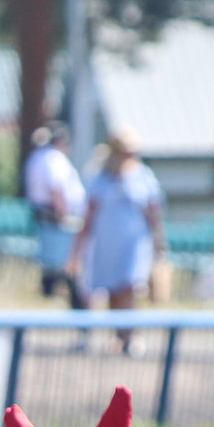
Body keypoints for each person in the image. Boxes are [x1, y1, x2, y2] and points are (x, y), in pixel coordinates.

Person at [69, 127, 165, 355]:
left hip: (134, 243)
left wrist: (159, 240)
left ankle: (131, 336)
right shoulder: (100, 178)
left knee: (130, 287)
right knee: (113, 290)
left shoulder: (143, 177)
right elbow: (89, 216)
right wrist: (77, 251)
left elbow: (153, 212)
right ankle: (119, 335)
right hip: (107, 243)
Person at [24, 122, 87, 310]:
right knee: (62, 262)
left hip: (47, 215)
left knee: (54, 260)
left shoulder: (38, 156)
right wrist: (64, 214)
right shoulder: (53, 158)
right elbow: (56, 188)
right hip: (57, 217)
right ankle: (66, 299)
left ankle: (58, 295)